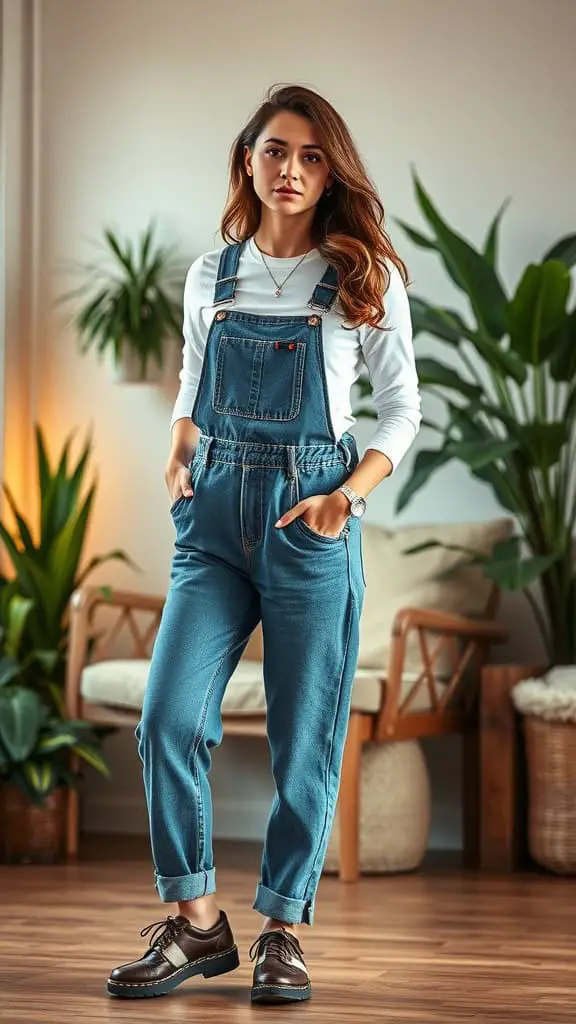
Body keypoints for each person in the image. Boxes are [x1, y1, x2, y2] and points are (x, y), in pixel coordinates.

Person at [107, 83, 421, 1005]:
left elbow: (403, 410)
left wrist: (345, 499)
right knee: (167, 717)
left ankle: (283, 930)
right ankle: (200, 926)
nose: (292, 170)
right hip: (212, 524)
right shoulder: (213, 274)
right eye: (277, 151)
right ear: (248, 157)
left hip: (310, 520)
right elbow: (190, 383)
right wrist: (176, 447)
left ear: (333, 174)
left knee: (304, 739)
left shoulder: (360, 276)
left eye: (313, 157)